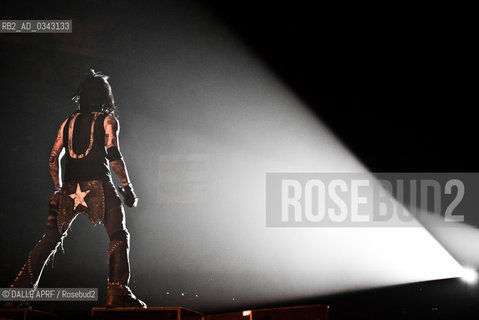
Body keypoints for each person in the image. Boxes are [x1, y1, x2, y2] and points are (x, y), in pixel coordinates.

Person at [4, 70, 146, 308]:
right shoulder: (108, 121)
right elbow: (113, 155)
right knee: (118, 234)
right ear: (105, 97)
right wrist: (127, 188)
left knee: (51, 238)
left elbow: (52, 158)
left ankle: (15, 296)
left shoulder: (67, 122)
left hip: (69, 189)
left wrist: (58, 188)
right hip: (99, 185)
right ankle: (118, 293)